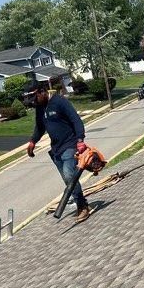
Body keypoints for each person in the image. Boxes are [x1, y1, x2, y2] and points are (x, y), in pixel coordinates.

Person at [26, 83, 90, 222]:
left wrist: (80, 140)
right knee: (68, 180)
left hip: (70, 144)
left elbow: (76, 120)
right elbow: (40, 127)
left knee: (69, 175)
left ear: (42, 92)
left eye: (35, 98)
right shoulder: (40, 108)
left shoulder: (60, 102)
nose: (34, 102)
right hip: (56, 150)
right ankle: (82, 202)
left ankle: (82, 206)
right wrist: (33, 141)